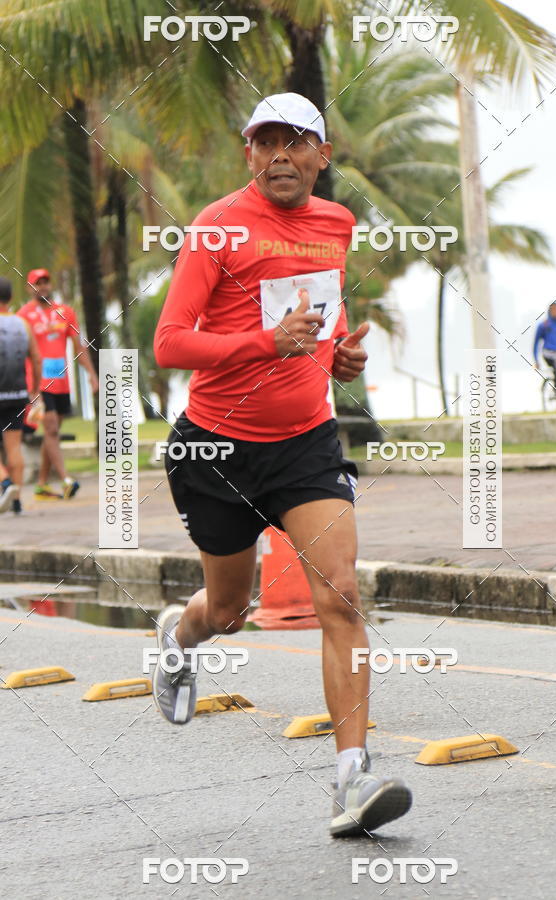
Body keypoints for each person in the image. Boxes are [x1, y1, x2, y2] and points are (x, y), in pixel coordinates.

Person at [153, 93, 412, 837]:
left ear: (322, 157)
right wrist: (267, 343)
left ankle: (351, 780)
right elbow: (171, 344)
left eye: (297, 142)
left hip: (306, 445)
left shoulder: (337, 224)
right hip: (217, 449)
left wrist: (340, 359)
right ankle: (180, 639)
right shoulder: (215, 226)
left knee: (342, 599)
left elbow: (314, 326)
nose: (281, 156)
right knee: (228, 611)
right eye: (266, 142)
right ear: (248, 154)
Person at [18, 268, 98, 499]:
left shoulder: (66, 312)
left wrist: (92, 375)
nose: (42, 286)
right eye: (37, 283)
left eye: (45, 282)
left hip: (61, 383)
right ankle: (65, 479)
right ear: (29, 288)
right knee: (51, 428)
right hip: (38, 384)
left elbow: (78, 347)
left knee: (52, 432)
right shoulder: (24, 315)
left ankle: (42, 484)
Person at [0, 276, 42, 514]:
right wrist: (34, 389)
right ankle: (16, 503)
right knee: (14, 446)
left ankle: (5, 483)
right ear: (11, 298)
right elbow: (36, 359)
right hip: (17, 393)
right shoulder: (22, 324)